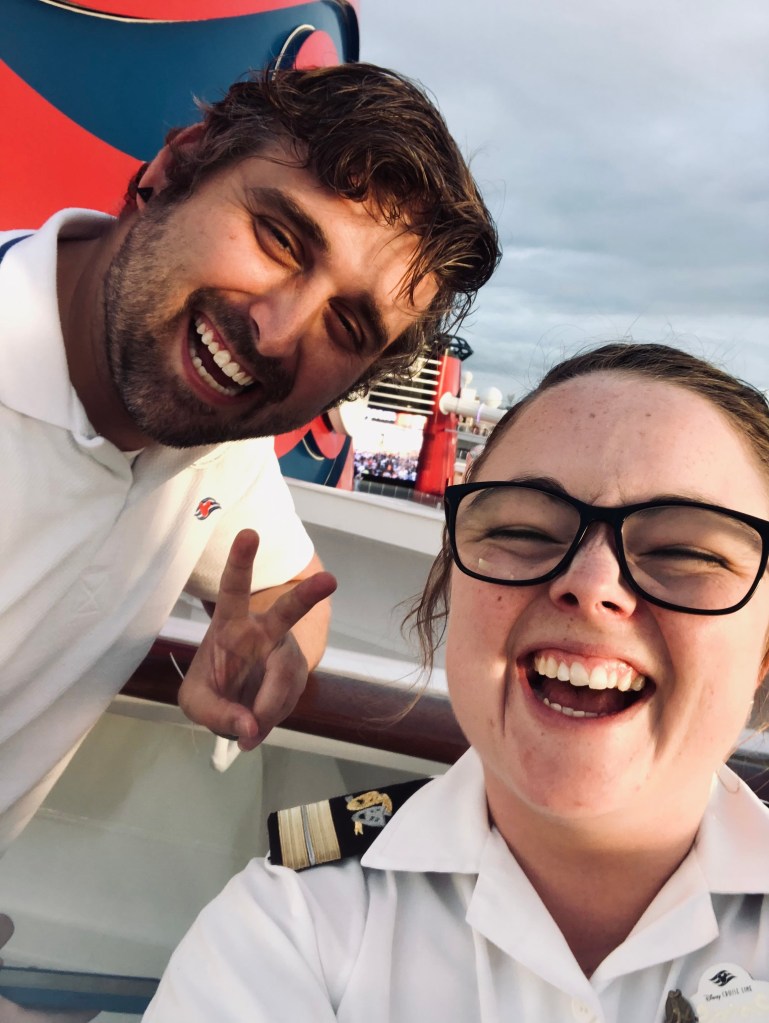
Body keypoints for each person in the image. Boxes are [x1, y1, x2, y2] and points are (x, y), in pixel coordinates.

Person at [144, 342, 769, 1023]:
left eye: (685, 550)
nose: (589, 585)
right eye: (523, 527)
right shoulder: (293, 923)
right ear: (452, 589)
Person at [0, 61, 500, 854]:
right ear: (175, 168)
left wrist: (275, 659)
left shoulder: (211, 439)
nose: (276, 331)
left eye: (346, 326)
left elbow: (288, 588)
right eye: (278, 238)